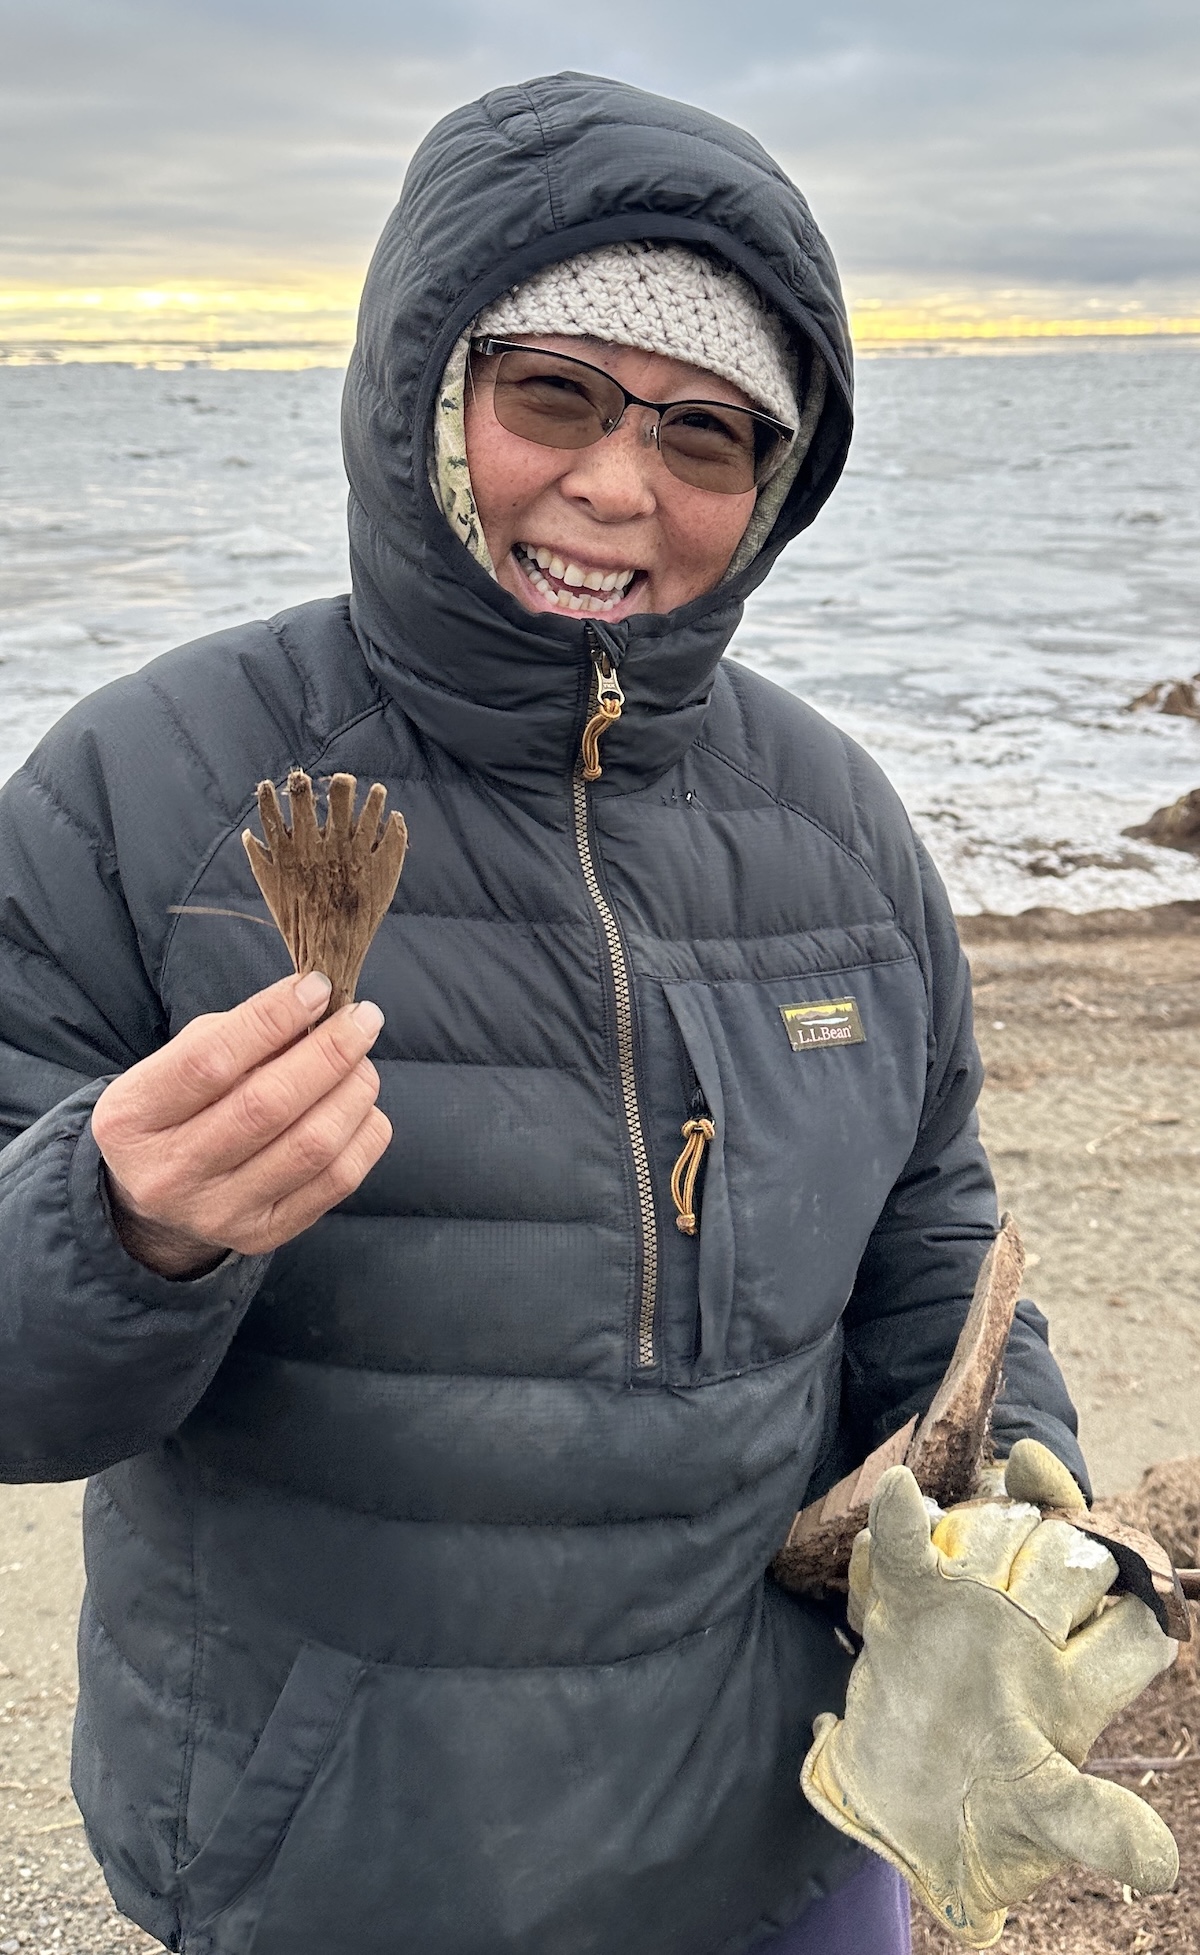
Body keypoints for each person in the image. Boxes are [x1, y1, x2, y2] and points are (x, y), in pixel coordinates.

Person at [0, 71, 1135, 1955]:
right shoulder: (141, 790)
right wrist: (122, 1227)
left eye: (706, 434)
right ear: (422, 397)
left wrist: (1019, 1500)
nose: (619, 486)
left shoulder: (841, 821)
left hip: (794, 1829)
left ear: (770, 487)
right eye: (555, 395)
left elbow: (929, 1219)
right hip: (351, 1866)